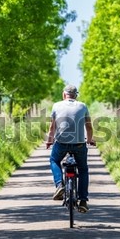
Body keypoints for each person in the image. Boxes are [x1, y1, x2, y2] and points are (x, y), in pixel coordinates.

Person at [46, 85, 95, 213]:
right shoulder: (83, 106)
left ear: (64, 94)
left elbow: (52, 128)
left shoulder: (56, 106)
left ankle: (59, 185)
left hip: (61, 143)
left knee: (54, 160)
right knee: (83, 169)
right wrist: (90, 140)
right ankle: (83, 201)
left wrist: (50, 140)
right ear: (76, 95)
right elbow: (89, 127)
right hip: (79, 144)